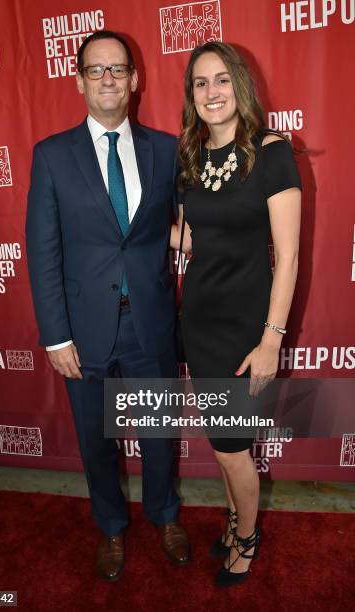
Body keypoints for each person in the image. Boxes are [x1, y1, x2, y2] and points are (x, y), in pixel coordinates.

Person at [26, 30, 189, 582]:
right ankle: (111, 527)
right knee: (95, 441)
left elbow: (186, 224)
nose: (108, 79)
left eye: (117, 68)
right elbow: (43, 250)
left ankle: (165, 515)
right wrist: (55, 336)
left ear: (135, 79)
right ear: (78, 81)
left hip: (150, 324)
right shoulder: (50, 156)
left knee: (158, 433)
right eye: (96, 70)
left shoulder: (166, 150)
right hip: (83, 330)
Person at [171, 41, 301, 587]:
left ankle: (247, 539)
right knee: (226, 448)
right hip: (198, 317)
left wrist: (271, 339)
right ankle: (234, 521)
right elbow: (189, 239)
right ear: (191, 95)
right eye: (200, 83)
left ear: (239, 85)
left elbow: (289, 253)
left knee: (230, 449)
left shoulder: (272, 151)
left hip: (246, 325)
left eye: (221, 79)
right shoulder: (190, 157)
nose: (211, 92)